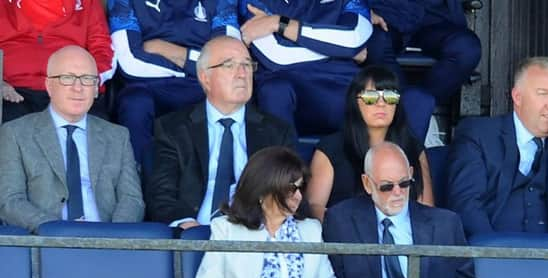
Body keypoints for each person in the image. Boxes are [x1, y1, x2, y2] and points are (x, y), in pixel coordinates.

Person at [323, 143, 484, 278]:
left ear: (411, 174)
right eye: (387, 187)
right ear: (367, 184)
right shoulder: (341, 221)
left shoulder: (446, 223)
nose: (398, 193)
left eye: (404, 183)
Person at [196, 146, 339, 278]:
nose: (298, 196)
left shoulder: (310, 230)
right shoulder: (226, 229)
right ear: (263, 189)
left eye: (300, 188)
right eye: (290, 189)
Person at [147, 36, 295, 231]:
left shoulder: (277, 132)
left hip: (256, 235)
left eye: (247, 64)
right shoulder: (172, 128)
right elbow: (161, 194)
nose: (242, 73)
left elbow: (288, 194)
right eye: (229, 65)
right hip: (195, 232)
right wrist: (186, 225)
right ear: (204, 77)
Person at [0, 46, 144, 233]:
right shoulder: (15, 133)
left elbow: (132, 199)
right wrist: (56, 230)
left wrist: (113, 237)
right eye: (67, 78)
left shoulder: (118, 136)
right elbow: (9, 200)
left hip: (107, 244)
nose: (78, 88)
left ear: (95, 89)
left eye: (87, 79)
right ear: (49, 86)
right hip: (45, 243)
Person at [446, 56, 548, 237]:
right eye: (543, 93)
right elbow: (465, 207)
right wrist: (493, 256)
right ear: (517, 97)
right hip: (492, 254)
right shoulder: (478, 134)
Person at [108, 0, 241, 162]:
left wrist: (170, 51)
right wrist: (198, 67)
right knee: (135, 103)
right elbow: (130, 62)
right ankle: (140, 181)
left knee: (227, 96)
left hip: (202, 85)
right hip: (148, 84)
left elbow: (229, 58)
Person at [307, 65, 434, 221]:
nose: (381, 103)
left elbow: (427, 211)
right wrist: (344, 226)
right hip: (346, 239)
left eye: (390, 96)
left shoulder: (413, 147)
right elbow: (313, 207)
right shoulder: (330, 148)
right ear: (355, 102)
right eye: (371, 97)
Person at [237, 0, 372, 137]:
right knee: (274, 91)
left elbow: (354, 38)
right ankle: (283, 158)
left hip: (341, 89)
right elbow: (277, 55)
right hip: (290, 94)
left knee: (376, 95)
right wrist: (340, 51)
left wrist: (279, 23)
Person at [1, 0, 115, 122]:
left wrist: (89, 81)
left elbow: (103, 48)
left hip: (72, 87)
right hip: (12, 90)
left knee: (93, 131)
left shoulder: (87, 3)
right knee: (11, 128)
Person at [366, 0, 481, 104]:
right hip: (384, 14)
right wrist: (361, 10)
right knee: (375, 44)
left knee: (467, 49)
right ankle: (404, 113)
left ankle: (418, 110)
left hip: (435, 16)